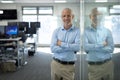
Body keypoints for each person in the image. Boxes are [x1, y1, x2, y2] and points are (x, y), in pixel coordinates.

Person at [84, 8, 114, 80]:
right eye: (94, 15)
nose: (97, 18)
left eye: (99, 15)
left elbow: (111, 49)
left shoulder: (107, 31)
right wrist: (102, 44)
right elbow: (86, 48)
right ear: (90, 16)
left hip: (108, 65)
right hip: (94, 68)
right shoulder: (85, 32)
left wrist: (93, 47)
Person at [50, 8, 80, 80]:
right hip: (56, 64)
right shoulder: (56, 31)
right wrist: (70, 46)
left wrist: (61, 44)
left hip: (68, 66)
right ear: (61, 17)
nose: (66, 18)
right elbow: (53, 48)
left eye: (68, 16)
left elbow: (77, 47)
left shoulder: (77, 31)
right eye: (64, 16)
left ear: (72, 16)